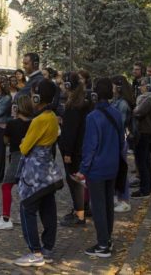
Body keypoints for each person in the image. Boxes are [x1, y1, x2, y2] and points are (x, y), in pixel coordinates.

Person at [14, 79, 63, 267]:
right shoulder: (52, 117)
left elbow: (25, 148)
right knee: (49, 209)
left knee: (28, 208)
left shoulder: (39, 120)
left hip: (34, 173)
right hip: (49, 171)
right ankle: (48, 248)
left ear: (37, 97)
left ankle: (35, 251)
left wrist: (23, 141)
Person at [74, 78, 125, 258]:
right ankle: (107, 239)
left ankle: (103, 244)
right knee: (108, 205)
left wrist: (83, 170)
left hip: (97, 168)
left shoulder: (92, 117)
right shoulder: (116, 113)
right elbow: (121, 141)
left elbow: (90, 147)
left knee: (98, 207)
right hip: (113, 165)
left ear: (95, 95)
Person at [0, 95, 33, 230]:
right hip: (31, 158)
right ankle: (24, 214)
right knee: (24, 186)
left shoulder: (13, 124)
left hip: (16, 156)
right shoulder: (33, 123)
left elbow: (5, 141)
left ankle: (6, 217)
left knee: (7, 186)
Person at [59, 72, 91, 227]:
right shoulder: (83, 102)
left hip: (74, 151)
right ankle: (82, 209)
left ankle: (79, 215)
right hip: (81, 148)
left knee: (74, 181)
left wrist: (67, 153)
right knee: (79, 180)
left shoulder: (74, 106)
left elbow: (71, 131)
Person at [131, 76, 151, 199]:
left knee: (142, 162)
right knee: (145, 161)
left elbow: (137, 112)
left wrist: (135, 109)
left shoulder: (149, 98)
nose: (140, 87)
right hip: (145, 132)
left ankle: (144, 190)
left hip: (143, 132)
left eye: (142, 85)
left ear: (148, 86)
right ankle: (146, 188)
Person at [110, 75, 135, 212]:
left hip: (120, 141)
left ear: (118, 87)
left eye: (113, 85)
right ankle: (118, 197)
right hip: (117, 141)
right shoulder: (116, 101)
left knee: (122, 171)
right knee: (118, 170)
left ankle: (124, 200)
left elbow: (120, 124)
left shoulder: (123, 104)